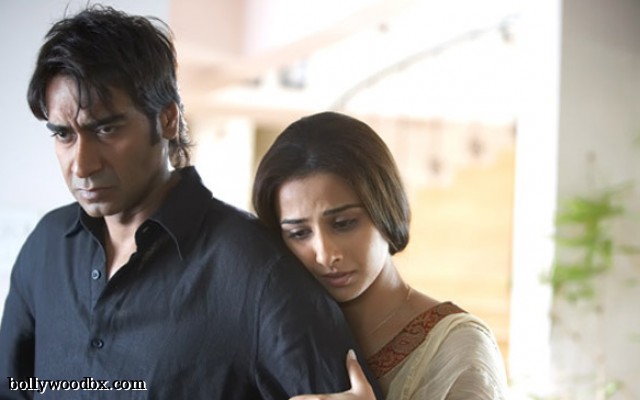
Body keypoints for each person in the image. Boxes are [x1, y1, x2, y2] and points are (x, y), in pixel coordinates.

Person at [0, 7, 382, 399]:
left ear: (167, 119)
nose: (82, 165)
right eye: (64, 135)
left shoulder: (255, 268)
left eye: (106, 129)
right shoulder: (46, 247)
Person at [252, 111, 508, 400]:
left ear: (385, 209)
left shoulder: (459, 349)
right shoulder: (278, 336)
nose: (325, 255)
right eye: (299, 233)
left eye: (344, 223)